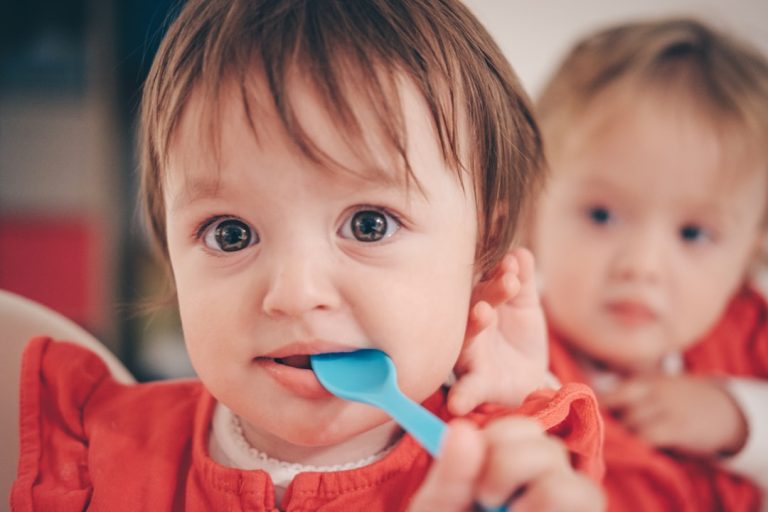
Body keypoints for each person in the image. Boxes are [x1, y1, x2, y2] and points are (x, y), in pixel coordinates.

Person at [12, 1, 605, 511]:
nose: (295, 294)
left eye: (369, 226)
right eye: (230, 234)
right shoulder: (96, 452)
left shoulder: (504, 477)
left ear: (482, 253)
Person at [529, 17, 768, 511]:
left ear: (750, 253)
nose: (642, 266)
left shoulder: (749, 334)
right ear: (531, 209)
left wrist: (739, 417)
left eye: (694, 234)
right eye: (602, 215)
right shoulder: (514, 358)